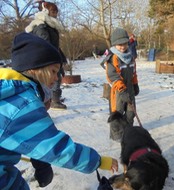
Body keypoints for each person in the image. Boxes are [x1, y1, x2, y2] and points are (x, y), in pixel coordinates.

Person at [0, 32, 118, 189]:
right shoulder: (22, 104)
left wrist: (40, 161)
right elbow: (57, 149)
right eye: (54, 71)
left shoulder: (9, 93)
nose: (56, 78)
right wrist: (98, 161)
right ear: (35, 69)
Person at [25, 0, 67, 110]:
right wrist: (54, 60)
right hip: (46, 60)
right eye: (53, 11)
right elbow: (45, 45)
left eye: (56, 12)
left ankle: (53, 100)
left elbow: (55, 45)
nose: (56, 14)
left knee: (55, 81)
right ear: (46, 11)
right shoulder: (41, 26)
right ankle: (45, 105)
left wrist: (62, 58)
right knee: (48, 82)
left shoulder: (50, 25)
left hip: (52, 58)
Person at [101, 28, 139, 141]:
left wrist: (135, 84)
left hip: (130, 89)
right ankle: (117, 136)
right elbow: (112, 76)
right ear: (114, 45)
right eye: (119, 44)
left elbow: (134, 72)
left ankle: (128, 132)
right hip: (118, 92)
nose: (123, 47)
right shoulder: (113, 58)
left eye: (125, 43)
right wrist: (122, 91)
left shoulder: (130, 57)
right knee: (117, 114)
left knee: (131, 113)